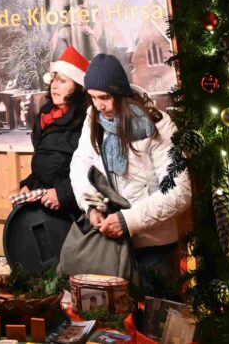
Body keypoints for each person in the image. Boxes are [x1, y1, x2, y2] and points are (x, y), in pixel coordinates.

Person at [69, 53, 191, 295]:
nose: (98, 105)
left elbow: (180, 191)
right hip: (111, 246)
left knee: (154, 326)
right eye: (92, 97)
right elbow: (80, 164)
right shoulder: (94, 118)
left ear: (120, 94)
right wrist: (92, 207)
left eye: (104, 97)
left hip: (152, 249)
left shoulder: (159, 126)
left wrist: (128, 221)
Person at [10, 45, 90, 263]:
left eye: (62, 81)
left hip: (70, 216)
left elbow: (96, 172)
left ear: (79, 86)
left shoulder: (87, 121)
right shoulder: (46, 116)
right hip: (43, 212)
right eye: (53, 79)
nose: (54, 86)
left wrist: (63, 195)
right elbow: (47, 164)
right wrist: (29, 183)